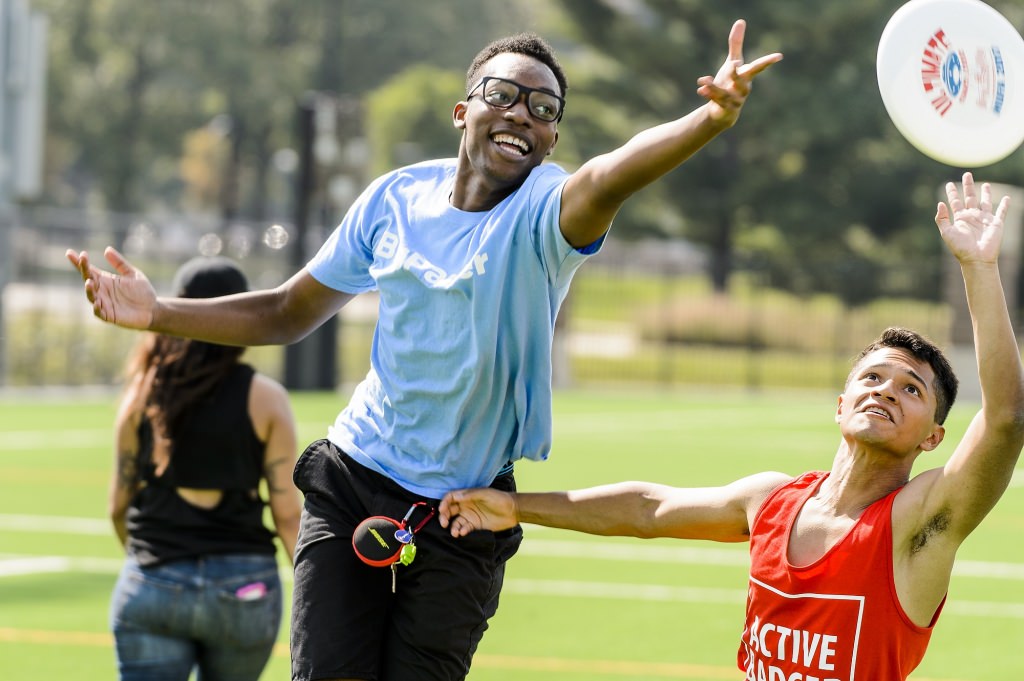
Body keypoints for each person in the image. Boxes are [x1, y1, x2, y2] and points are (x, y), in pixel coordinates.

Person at [68, 21, 782, 681]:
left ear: (552, 142)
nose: (521, 113)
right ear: (462, 112)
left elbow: (612, 173)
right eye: (502, 94)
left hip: (464, 508)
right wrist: (158, 312)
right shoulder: (393, 199)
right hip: (352, 479)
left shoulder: (547, 210)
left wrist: (711, 118)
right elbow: (288, 311)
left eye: (543, 108)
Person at [439, 173, 1024, 681]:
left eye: (911, 390)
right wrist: (517, 507)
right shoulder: (771, 500)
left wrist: (979, 267)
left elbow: (1006, 419)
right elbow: (648, 509)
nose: (885, 391)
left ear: (932, 438)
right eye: (872, 378)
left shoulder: (916, 525)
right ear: (840, 402)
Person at [108, 256, 301, 681]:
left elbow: (117, 510)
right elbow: (288, 515)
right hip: (245, 590)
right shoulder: (267, 398)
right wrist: (320, 599)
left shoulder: (143, 393)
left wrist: (153, 569)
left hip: (154, 584)